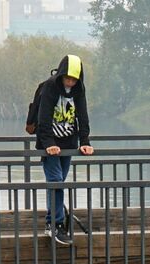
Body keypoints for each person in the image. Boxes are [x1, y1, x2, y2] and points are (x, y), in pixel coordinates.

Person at [34, 54, 94, 246]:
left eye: (74, 79)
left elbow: (82, 115)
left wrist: (85, 141)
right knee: (55, 182)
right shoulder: (51, 86)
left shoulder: (79, 89)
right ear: (60, 75)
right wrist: (49, 143)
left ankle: (55, 221)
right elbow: (43, 117)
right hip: (50, 145)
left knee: (59, 182)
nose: (70, 82)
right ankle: (55, 224)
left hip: (68, 143)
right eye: (67, 78)